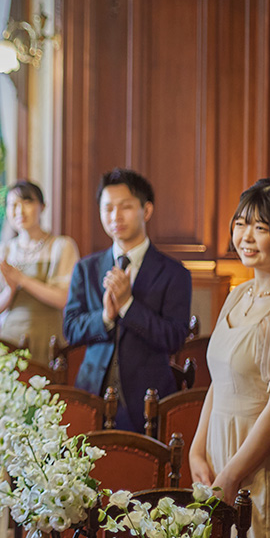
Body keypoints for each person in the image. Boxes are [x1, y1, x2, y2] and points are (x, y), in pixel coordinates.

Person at [188, 176, 270, 538]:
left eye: (261, 227)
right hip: (219, 451)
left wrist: (233, 473)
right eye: (241, 223)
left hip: (262, 461)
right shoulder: (238, 294)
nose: (246, 236)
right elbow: (218, 382)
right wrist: (197, 450)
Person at [64, 168, 192, 432]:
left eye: (125, 207)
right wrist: (105, 317)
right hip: (91, 396)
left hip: (149, 401)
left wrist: (128, 306)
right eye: (108, 208)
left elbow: (174, 338)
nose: (115, 216)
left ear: (146, 211)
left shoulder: (174, 273)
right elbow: (71, 329)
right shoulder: (86, 269)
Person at [0, 180, 79, 358]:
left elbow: (64, 299)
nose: (20, 211)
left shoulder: (61, 246)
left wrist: (22, 280)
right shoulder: (4, 250)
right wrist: (10, 291)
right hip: (8, 343)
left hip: (49, 343)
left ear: (42, 206)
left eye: (27, 202)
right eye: (13, 205)